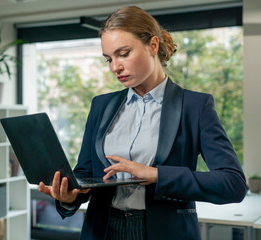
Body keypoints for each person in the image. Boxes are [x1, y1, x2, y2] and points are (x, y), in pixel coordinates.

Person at [39, 5, 248, 240]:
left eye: (124, 53)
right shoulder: (101, 106)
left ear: (153, 45)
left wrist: (155, 174)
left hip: (163, 233)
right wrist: (70, 196)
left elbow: (233, 183)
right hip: (103, 231)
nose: (115, 67)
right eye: (108, 58)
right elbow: (86, 174)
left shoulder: (195, 106)